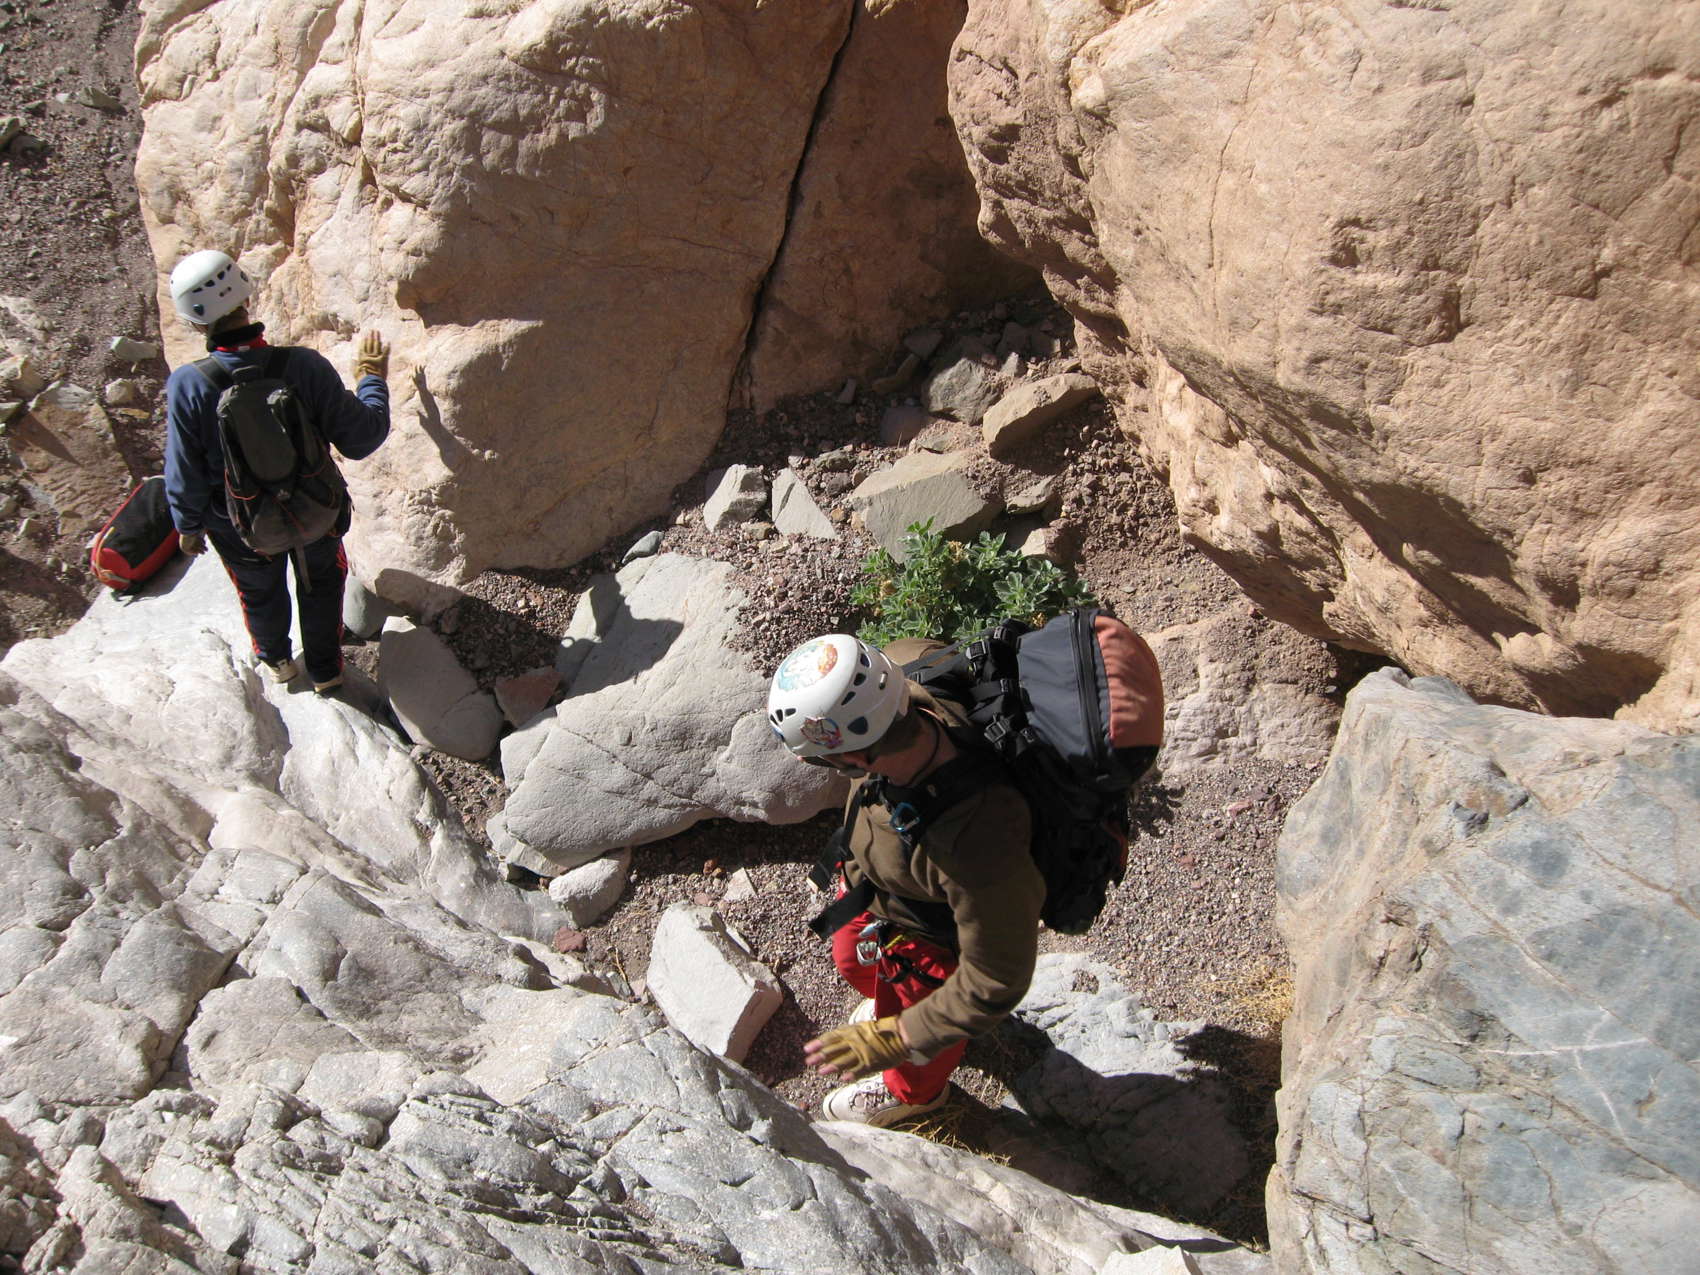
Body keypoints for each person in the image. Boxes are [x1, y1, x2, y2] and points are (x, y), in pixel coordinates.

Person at [766, 633, 1043, 1127]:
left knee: (920, 1030)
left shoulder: (976, 844)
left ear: (854, 759)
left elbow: (996, 978)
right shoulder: (901, 668)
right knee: (851, 957)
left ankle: (915, 1094)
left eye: (818, 760)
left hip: (929, 939)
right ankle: (894, 1009)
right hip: (879, 891)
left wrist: (898, 1037)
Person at [162, 249, 391, 694]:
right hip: (315, 509)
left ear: (194, 322)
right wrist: (371, 379)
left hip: (238, 523)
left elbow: (183, 470)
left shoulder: (189, 385)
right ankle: (326, 671)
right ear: (247, 297)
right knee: (322, 583)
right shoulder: (303, 365)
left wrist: (188, 527)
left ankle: (279, 663)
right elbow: (362, 438)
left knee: (258, 590)